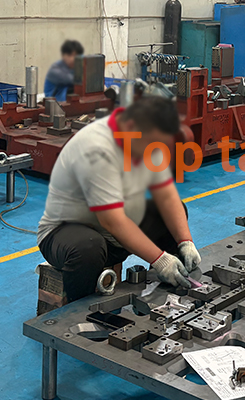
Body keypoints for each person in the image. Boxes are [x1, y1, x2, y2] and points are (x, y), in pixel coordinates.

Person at [37, 96, 201, 307]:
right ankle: (79, 311)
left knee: (174, 215)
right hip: (67, 232)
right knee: (88, 247)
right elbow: (111, 220)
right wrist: (160, 259)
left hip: (115, 235)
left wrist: (185, 242)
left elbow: (168, 196)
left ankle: (166, 292)